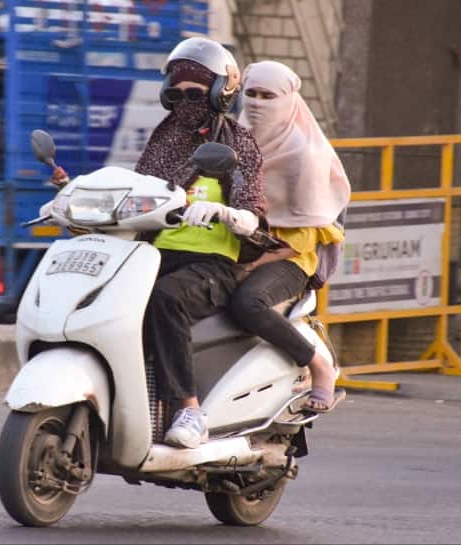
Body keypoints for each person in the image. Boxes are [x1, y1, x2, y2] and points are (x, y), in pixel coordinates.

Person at [132, 37, 267, 449]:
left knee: (166, 299)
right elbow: (137, 187)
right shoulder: (164, 138)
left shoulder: (238, 144)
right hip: (154, 254)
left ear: (219, 92)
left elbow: (252, 211)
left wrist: (227, 213)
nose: (185, 102)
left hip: (210, 264)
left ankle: (190, 410)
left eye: (195, 93)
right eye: (176, 94)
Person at [231, 60, 351, 413]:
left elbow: (302, 238)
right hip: (237, 246)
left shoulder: (304, 153)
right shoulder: (234, 137)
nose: (255, 102)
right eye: (250, 93)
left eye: (268, 96)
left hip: (289, 256)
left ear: (288, 99)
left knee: (248, 303)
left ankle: (319, 366)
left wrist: (253, 264)